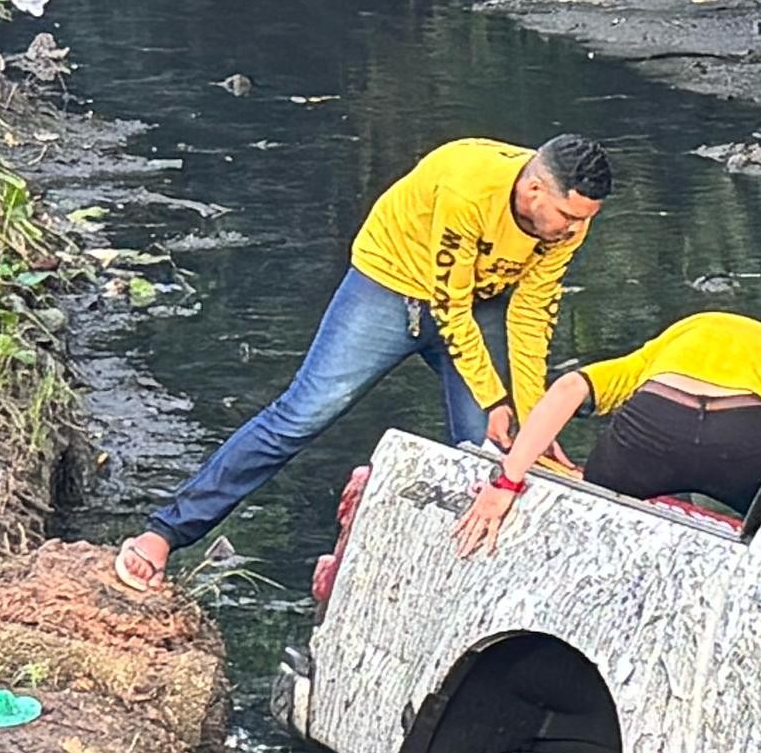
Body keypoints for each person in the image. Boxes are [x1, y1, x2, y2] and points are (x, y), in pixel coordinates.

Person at [118, 133, 617, 588]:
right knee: (301, 416)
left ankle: (467, 590)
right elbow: (448, 305)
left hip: (480, 301)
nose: (576, 230)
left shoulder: (568, 224)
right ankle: (164, 534)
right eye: (570, 217)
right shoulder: (467, 187)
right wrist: (493, 397)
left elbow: (531, 318)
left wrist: (532, 419)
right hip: (389, 288)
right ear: (533, 192)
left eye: (585, 219)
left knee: (495, 453)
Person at [453, 311, 761, 553]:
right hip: (746, 439)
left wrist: (506, 483)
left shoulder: (658, 351)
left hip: (655, 426)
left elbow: (570, 387)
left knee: (598, 492)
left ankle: (593, 491)